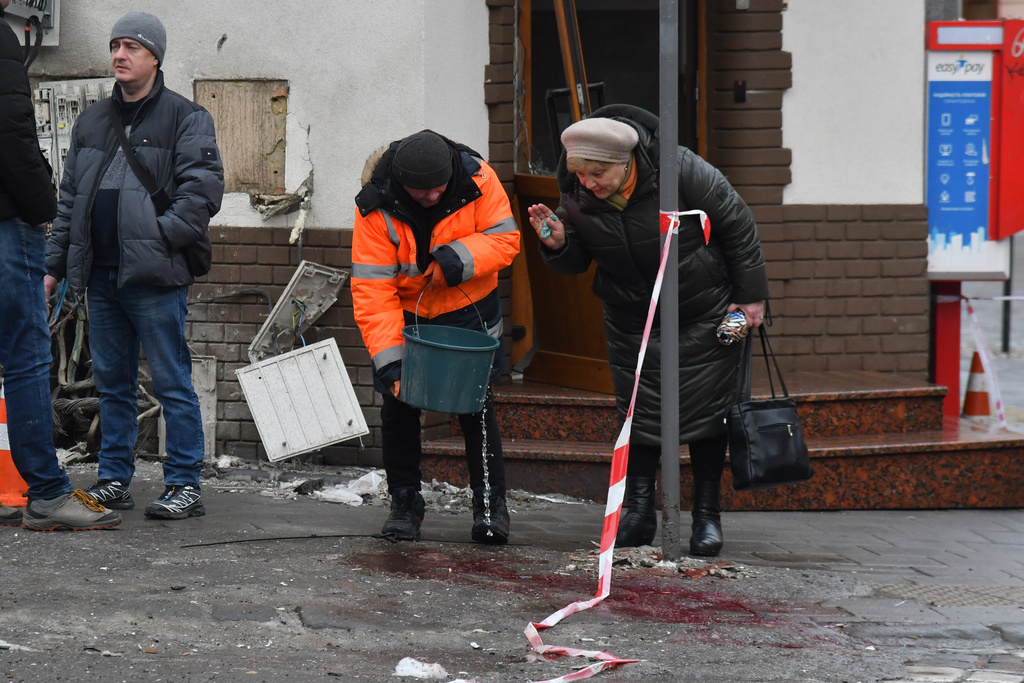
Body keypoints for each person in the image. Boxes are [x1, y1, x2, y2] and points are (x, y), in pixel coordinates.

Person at [527, 104, 769, 557]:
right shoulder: (577, 190)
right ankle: (637, 513)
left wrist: (750, 297)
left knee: (707, 414)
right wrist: (558, 244)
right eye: (581, 175)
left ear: (625, 163)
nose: (588, 184)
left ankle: (706, 516)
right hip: (631, 318)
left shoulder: (679, 168)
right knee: (638, 413)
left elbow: (738, 225)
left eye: (598, 174)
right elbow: (577, 258)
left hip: (702, 310)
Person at [45, 12, 224, 520]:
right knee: (113, 385)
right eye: (115, 46)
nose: (119, 55)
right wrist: (53, 267)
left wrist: (160, 239)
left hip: (155, 277)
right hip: (100, 277)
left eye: (131, 47)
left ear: (155, 58)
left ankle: (185, 484)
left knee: (172, 382)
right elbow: (69, 201)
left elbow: (202, 192)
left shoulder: (186, 117)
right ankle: (114, 480)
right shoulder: (92, 121)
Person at [352, 130, 521, 544]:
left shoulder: (480, 179)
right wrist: (391, 364)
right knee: (398, 408)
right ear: (401, 183)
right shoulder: (374, 207)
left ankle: (490, 507)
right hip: (406, 316)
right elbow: (373, 292)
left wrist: (456, 260)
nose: (431, 196)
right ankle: (405, 504)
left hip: (467, 309)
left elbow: (505, 239)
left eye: (438, 189)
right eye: (421, 191)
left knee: (475, 408)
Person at [0, 0, 121, 530]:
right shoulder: (1, 40)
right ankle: (48, 493)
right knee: (27, 355)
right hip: (7, 222)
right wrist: (42, 207)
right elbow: (12, 136)